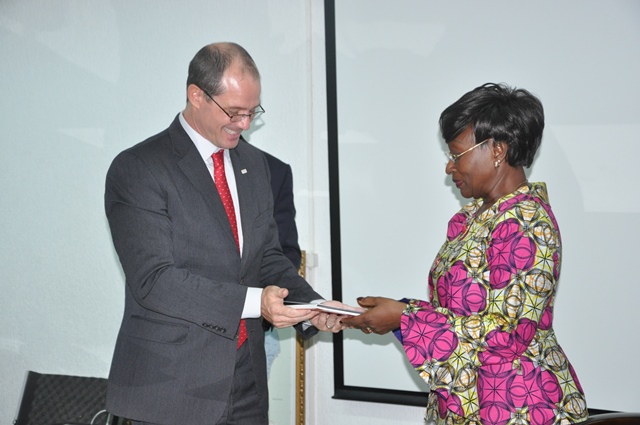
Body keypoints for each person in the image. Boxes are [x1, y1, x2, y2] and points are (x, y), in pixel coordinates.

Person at [104, 42, 350, 425]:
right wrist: (258, 304)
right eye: (235, 112)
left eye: (253, 112)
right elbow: (155, 281)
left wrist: (312, 307)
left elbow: (267, 255)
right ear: (196, 95)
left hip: (246, 380)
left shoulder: (253, 163)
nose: (245, 124)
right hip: (170, 386)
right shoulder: (139, 168)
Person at [342, 83, 588, 425]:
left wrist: (405, 318)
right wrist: (401, 310)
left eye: (456, 155)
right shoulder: (477, 217)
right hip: (474, 401)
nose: (448, 168)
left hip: (518, 406)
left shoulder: (527, 221)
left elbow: (508, 331)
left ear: (498, 150)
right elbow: (464, 313)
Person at [260, 146, 302, 378]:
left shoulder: (273, 170)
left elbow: (285, 252)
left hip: (256, 336)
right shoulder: (159, 162)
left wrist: (314, 308)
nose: (243, 122)